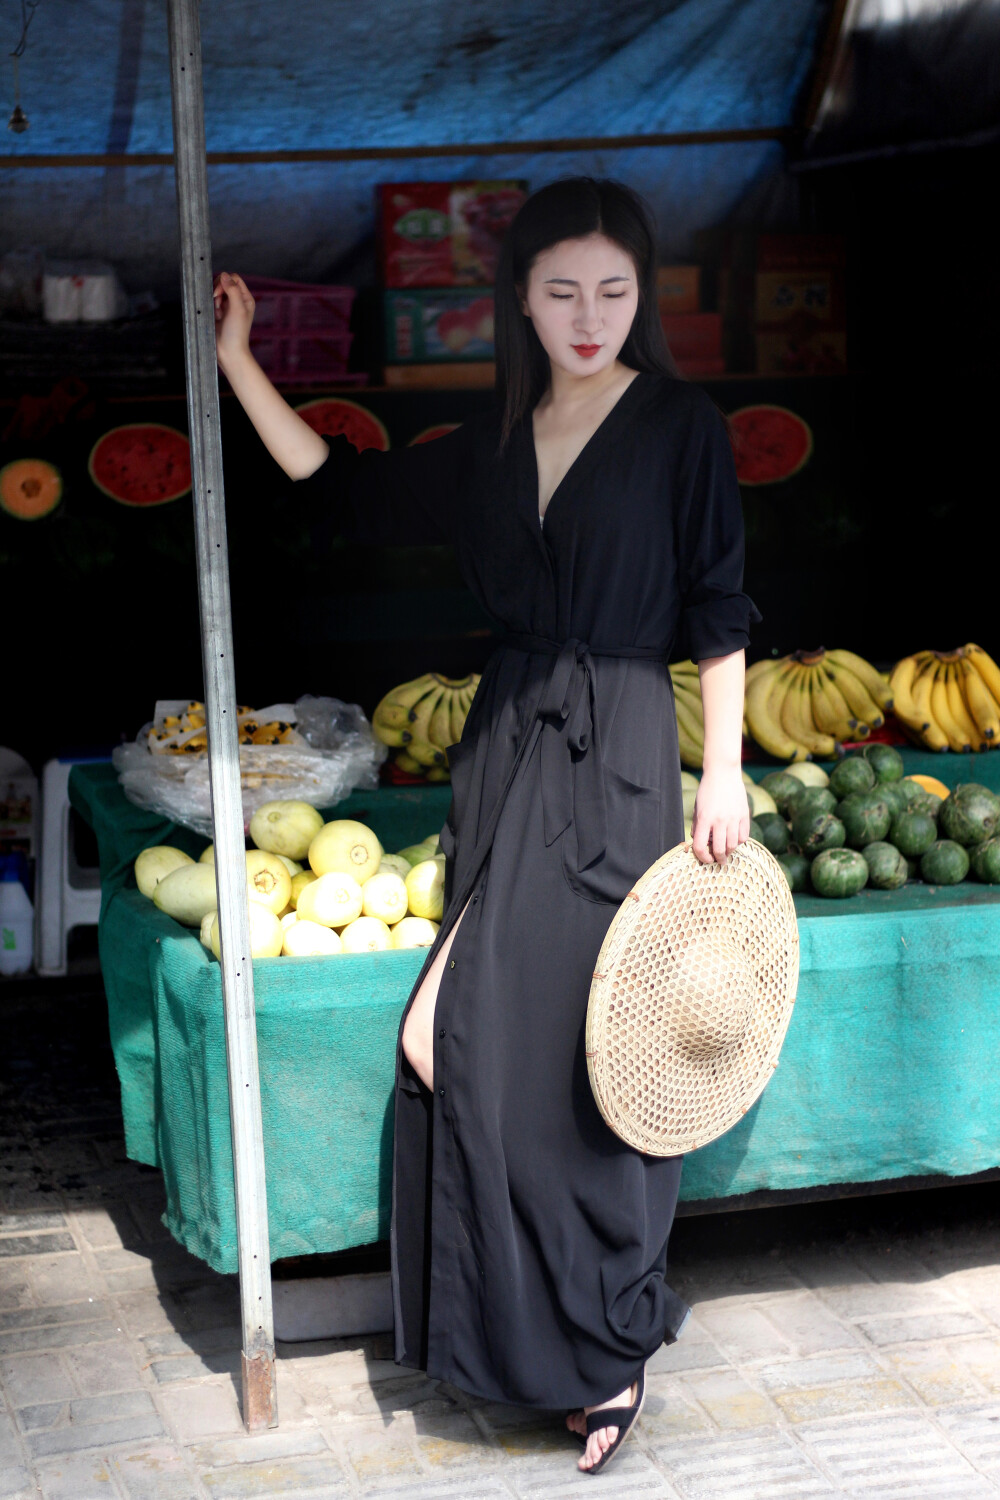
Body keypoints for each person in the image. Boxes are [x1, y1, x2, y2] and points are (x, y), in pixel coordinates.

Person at [213, 175, 760, 1475]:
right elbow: (329, 484)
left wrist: (721, 769)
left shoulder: (683, 427)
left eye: (616, 291)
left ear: (646, 297)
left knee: (593, 1065)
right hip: (508, 742)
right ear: (518, 296)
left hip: (624, 747)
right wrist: (236, 361)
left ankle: (610, 1341)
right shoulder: (493, 437)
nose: (590, 316)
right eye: (563, 289)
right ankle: (543, 1339)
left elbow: (724, 605)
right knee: (454, 1039)